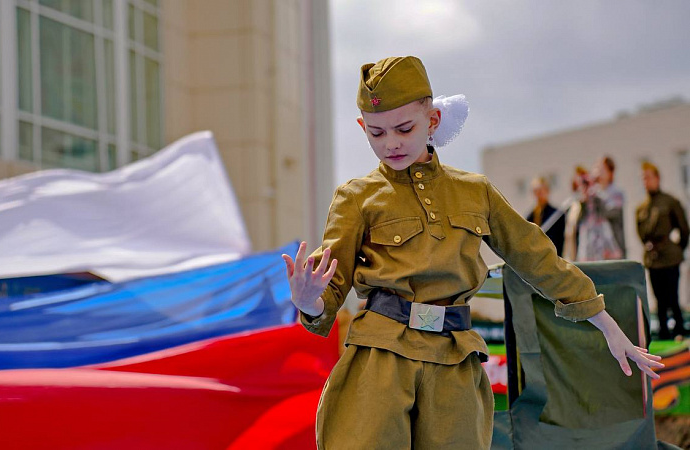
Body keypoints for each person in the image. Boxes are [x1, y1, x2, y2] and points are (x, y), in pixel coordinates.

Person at [281, 56, 662, 449]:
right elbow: (329, 289)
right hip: (381, 358)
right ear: (363, 126)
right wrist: (309, 301)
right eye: (376, 133)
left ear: (432, 120)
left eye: (404, 127)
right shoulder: (355, 197)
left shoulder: (474, 191)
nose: (390, 142)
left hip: (454, 358)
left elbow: (539, 259)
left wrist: (608, 326)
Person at [637, 161, 689, 340]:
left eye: (649, 177)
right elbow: (641, 234)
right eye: (644, 178)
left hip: (670, 256)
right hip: (653, 258)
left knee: (672, 297)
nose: (646, 182)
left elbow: (684, 228)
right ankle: (664, 332)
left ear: (657, 178)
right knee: (659, 299)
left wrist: (677, 249)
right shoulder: (642, 208)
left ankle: (679, 330)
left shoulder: (670, 201)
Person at [576, 156, 626, 261]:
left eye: (601, 169)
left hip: (611, 252)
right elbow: (581, 219)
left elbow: (607, 212)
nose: (598, 172)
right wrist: (584, 197)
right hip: (591, 252)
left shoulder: (616, 193)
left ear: (610, 172)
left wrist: (594, 194)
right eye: (596, 168)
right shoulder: (591, 193)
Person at [526, 176, 565, 254]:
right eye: (535, 191)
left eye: (541, 191)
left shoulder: (557, 215)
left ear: (547, 191)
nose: (538, 194)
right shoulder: (530, 216)